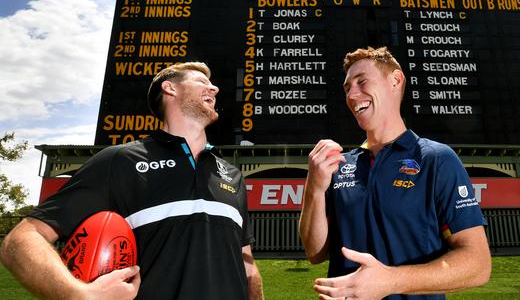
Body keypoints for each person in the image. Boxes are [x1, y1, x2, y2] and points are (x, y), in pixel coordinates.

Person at [0, 62, 264, 300]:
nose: (214, 89)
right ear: (170, 89)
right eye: (202, 83)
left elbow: (248, 267)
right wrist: (77, 294)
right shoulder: (119, 161)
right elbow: (22, 239)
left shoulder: (232, 175)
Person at [299, 47, 491, 300]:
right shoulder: (339, 165)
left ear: (395, 80)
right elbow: (315, 253)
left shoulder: (436, 159)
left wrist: (390, 280)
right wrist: (314, 187)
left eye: (362, 81)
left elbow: (477, 265)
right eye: (347, 88)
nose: (352, 95)